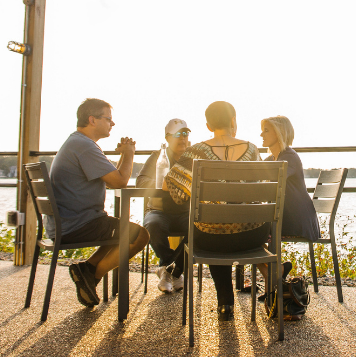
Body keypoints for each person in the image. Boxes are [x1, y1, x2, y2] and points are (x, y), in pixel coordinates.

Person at [164, 101, 266, 320]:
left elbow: (173, 187)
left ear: (209, 126)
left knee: (209, 227)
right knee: (220, 225)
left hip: (212, 240)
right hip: (252, 236)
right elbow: (259, 191)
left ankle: (225, 302)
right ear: (233, 121)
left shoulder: (195, 152)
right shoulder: (252, 149)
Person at [46, 98, 150, 307]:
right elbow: (120, 181)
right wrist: (130, 153)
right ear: (92, 120)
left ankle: (87, 269)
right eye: (108, 119)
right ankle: (91, 275)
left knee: (121, 232)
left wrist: (123, 157)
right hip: (77, 225)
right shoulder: (84, 147)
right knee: (140, 236)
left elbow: (112, 180)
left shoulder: (78, 143)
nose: (113, 124)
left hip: (68, 223)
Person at [258, 115, 320, 290]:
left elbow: (270, 181)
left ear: (279, 133)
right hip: (284, 216)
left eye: (266, 130)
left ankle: (272, 281)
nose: (261, 134)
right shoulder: (272, 159)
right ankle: (273, 276)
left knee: (250, 232)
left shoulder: (288, 158)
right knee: (248, 232)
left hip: (297, 220)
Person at [136, 119, 191, 293]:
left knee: (200, 226)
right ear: (167, 137)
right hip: (158, 211)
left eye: (185, 134)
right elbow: (141, 181)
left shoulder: (191, 158)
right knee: (153, 226)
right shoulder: (158, 156)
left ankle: (167, 270)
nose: (182, 138)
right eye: (177, 135)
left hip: (184, 212)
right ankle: (175, 270)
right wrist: (163, 182)